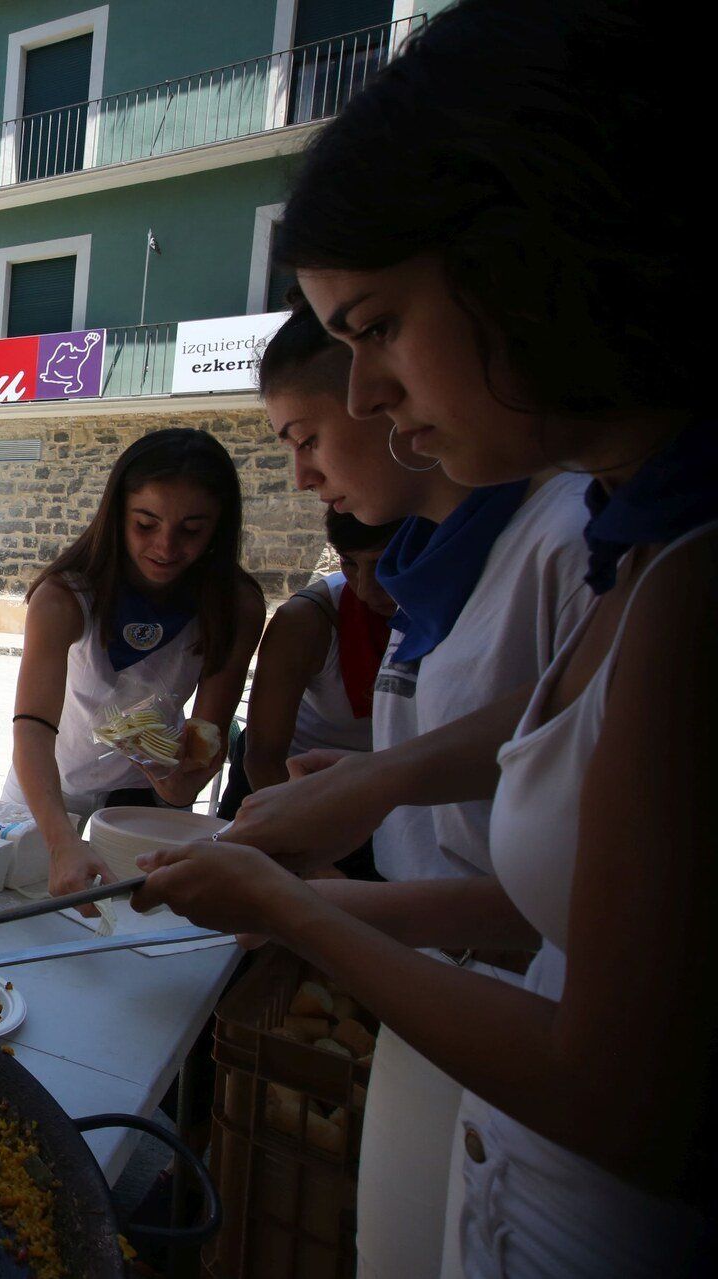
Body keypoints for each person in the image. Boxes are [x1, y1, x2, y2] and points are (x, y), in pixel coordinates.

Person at [136, 3, 714, 1274]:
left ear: (529, 263)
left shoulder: (666, 570)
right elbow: (568, 907)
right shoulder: (636, 542)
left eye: (379, 329)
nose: (364, 401)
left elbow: (623, 1093)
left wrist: (297, 910)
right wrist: (340, 859)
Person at [246, 295, 595, 1275]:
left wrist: (323, 909)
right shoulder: (421, 560)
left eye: (305, 438)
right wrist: (365, 785)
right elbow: (500, 755)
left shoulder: (568, 540)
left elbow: (578, 868)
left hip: (515, 1013)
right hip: (438, 1003)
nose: (303, 473)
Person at [3, 428, 264, 905]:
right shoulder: (64, 597)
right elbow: (32, 728)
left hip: (139, 807)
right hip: (46, 794)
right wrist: (61, 842)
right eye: (146, 524)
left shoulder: (236, 604)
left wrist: (182, 780)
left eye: (191, 530)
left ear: (220, 526)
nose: (166, 547)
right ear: (117, 514)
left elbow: (209, 733)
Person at [219, 512, 398, 834]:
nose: (367, 589)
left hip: (394, 797)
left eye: (388, 562)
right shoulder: (306, 620)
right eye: (349, 563)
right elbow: (263, 758)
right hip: (287, 791)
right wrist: (313, 858)